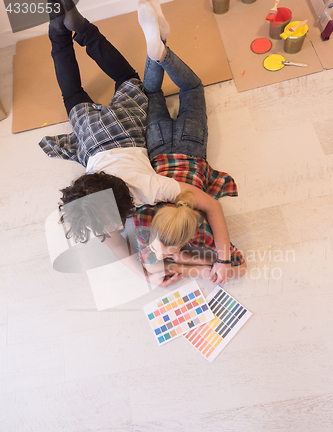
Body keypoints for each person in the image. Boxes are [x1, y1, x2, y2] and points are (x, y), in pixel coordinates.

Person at [39, 0, 243, 287]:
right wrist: (147, 273)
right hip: (94, 136)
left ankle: (76, 28)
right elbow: (114, 242)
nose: (116, 228)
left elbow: (116, 245)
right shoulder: (95, 193)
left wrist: (146, 275)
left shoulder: (148, 189)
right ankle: (68, 30)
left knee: (136, 82)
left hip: (128, 134)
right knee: (78, 92)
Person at [133, 0, 246, 283]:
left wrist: (206, 264)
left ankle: (162, 49)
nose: (163, 256)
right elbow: (157, 265)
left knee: (192, 87)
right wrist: (202, 263)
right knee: (152, 94)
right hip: (158, 148)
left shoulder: (196, 223)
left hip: (191, 147)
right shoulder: (143, 221)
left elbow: (240, 265)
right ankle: (159, 46)